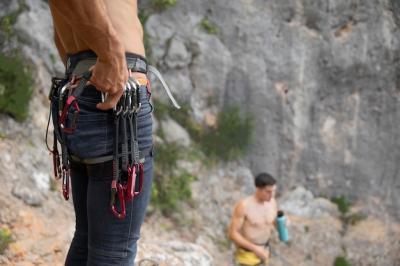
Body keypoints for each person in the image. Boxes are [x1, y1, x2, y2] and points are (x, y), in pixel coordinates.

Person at [48, 1, 153, 265]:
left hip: (83, 85)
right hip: (114, 95)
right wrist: (110, 57)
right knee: (113, 252)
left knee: (87, 239)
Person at [228, 173, 278, 266]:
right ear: (258, 189)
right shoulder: (244, 206)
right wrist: (255, 249)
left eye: (274, 191)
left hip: (264, 253)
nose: (271, 195)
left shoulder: (272, 202)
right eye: (268, 192)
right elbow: (232, 233)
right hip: (246, 257)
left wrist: (281, 223)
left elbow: (272, 223)